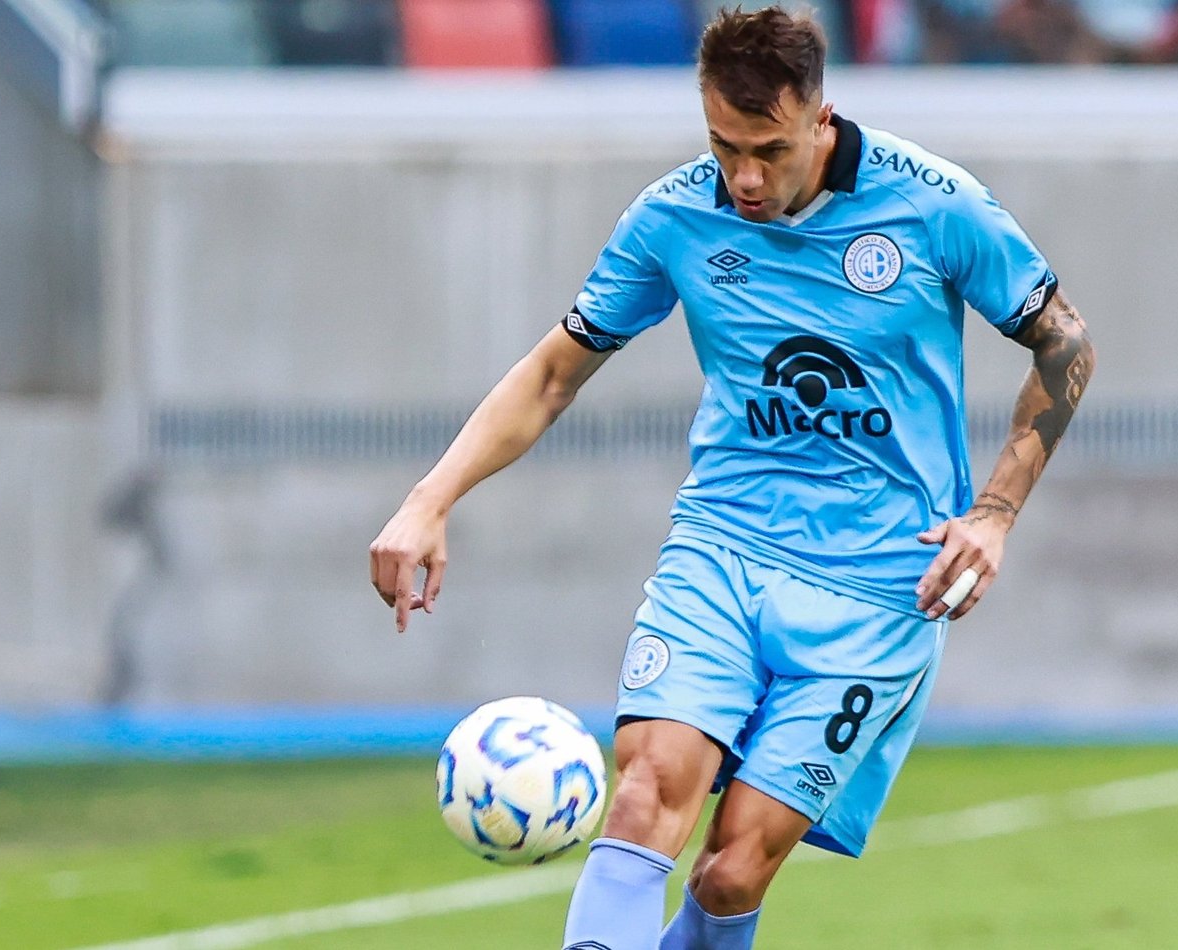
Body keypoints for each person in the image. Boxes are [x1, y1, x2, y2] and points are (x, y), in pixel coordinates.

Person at [368, 7, 1094, 948]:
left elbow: (1065, 344)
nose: (745, 178)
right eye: (724, 146)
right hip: (722, 551)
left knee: (730, 871)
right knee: (643, 796)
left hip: (879, 587)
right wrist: (428, 500)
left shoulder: (934, 204)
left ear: (821, 117)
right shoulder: (673, 215)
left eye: (769, 150)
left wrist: (992, 514)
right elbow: (553, 373)